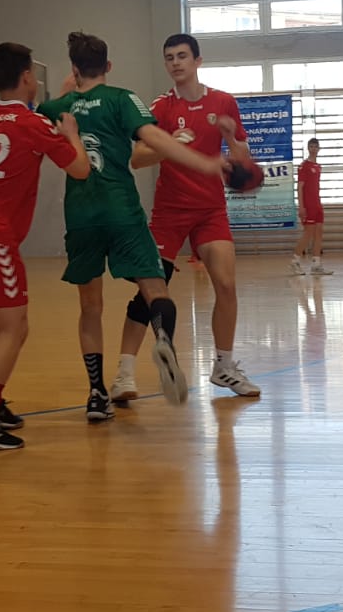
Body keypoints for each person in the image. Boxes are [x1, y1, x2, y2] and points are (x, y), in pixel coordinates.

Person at [38, 31, 227, 422]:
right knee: (155, 289)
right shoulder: (123, 98)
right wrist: (205, 163)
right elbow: (155, 139)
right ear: (108, 66)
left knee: (90, 307)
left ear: (74, 68)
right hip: (122, 211)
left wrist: (66, 93)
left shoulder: (57, 107)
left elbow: (45, 117)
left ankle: (96, 394)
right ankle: (162, 338)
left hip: (82, 216)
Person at [0, 43, 91, 450]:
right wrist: (72, 136)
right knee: (15, 327)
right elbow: (80, 169)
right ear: (28, 76)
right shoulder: (33, 124)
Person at [112, 34, 260, 403]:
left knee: (226, 284)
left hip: (210, 210)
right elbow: (137, 158)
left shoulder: (223, 102)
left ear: (197, 61)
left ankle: (224, 366)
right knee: (148, 292)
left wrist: (231, 136)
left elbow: (243, 159)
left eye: (182, 56)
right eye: (169, 58)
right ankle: (124, 375)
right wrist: (169, 146)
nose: (176, 63)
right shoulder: (160, 107)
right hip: (170, 212)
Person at [290, 137, 332, 276]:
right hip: (308, 205)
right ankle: (295, 261)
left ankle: (316, 264)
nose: (313, 149)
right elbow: (300, 187)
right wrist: (301, 206)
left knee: (319, 233)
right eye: (311, 146)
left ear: (319, 149)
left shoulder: (318, 167)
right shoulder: (304, 166)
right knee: (308, 233)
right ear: (308, 148)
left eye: (316, 146)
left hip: (317, 203)